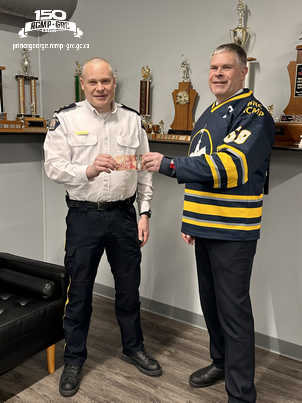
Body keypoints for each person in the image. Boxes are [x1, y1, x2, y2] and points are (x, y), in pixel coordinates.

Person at [143, 43, 275, 403]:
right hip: (205, 226)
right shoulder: (208, 112)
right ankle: (220, 361)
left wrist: (169, 165)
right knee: (212, 304)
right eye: (214, 67)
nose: (217, 74)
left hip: (233, 231)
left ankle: (241, 394)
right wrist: (191, 221)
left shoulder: (253, 114)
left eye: (226, 68)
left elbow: (229, 166)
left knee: (234, 312)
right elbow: (202, 170)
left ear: (243, 71)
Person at [44, 57, 162, 398]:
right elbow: (53, 166)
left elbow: (143, 170)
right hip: (84, 217)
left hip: (125, 216)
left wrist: (145, 213)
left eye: (105, 82)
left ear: (115, 82)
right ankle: (74, 359)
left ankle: (133, 347)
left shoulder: (132, 119)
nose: (100, 88)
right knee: (78, 293)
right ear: (84, 84)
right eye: (93, 82)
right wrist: (88, 171)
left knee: (129, 288)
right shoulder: (65, 119)